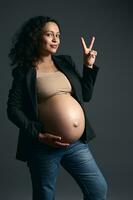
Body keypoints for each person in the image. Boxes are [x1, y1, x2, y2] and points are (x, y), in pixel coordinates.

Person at [7, 15, 108, 200]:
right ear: (36, 37)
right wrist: (38, 135)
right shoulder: (24, 71)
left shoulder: (65, 62)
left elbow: (85, 95)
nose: (55, 39)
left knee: (98, 189)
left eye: (58, 35)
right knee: (45, 196)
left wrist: (88, 65)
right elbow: (12, 109)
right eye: (49, 34)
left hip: (75, 144)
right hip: (43, 145)